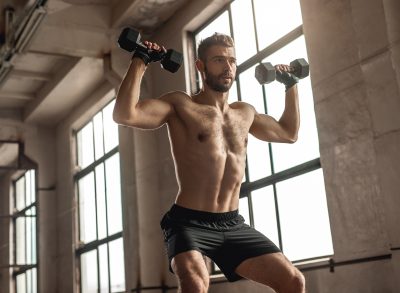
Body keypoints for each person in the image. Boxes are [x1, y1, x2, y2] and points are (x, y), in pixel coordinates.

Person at [113, 33, 306, 293]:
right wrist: (141, 59)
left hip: (232, 223)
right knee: (195, 285)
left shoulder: (245, 112)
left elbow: (288, 133)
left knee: (293, 281)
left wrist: (290, 83)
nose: (228, 67)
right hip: (188, 223)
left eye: (232, 61)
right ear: (200, 66)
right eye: (218, 60)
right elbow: (126, 113)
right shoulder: (180, 105)